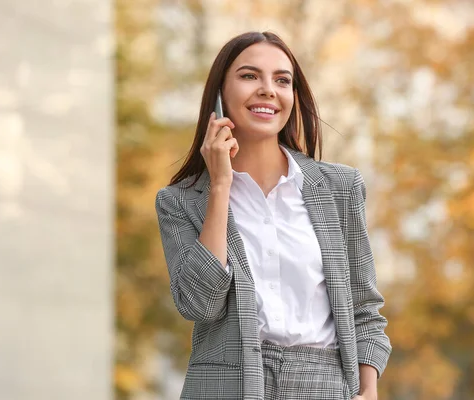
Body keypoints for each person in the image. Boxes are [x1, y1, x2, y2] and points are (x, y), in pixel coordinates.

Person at [156, 31, 391, 400]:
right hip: (226, 387)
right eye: (250, 76)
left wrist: (368, 389)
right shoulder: (180, 201)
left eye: (282, 80)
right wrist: (220, 187)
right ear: (219, 95)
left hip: (324, 385)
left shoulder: (340, 188)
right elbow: (200, 304)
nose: (268, 89)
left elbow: (363, 309)